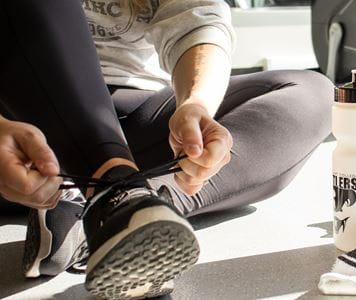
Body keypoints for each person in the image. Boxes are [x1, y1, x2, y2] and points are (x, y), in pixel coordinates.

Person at [0, 0, 332, 299]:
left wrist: (197, 105)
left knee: (311, 92)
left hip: (130, 112)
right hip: (17, 126)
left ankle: (128, 208)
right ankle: (115, 201)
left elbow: (197, 19)